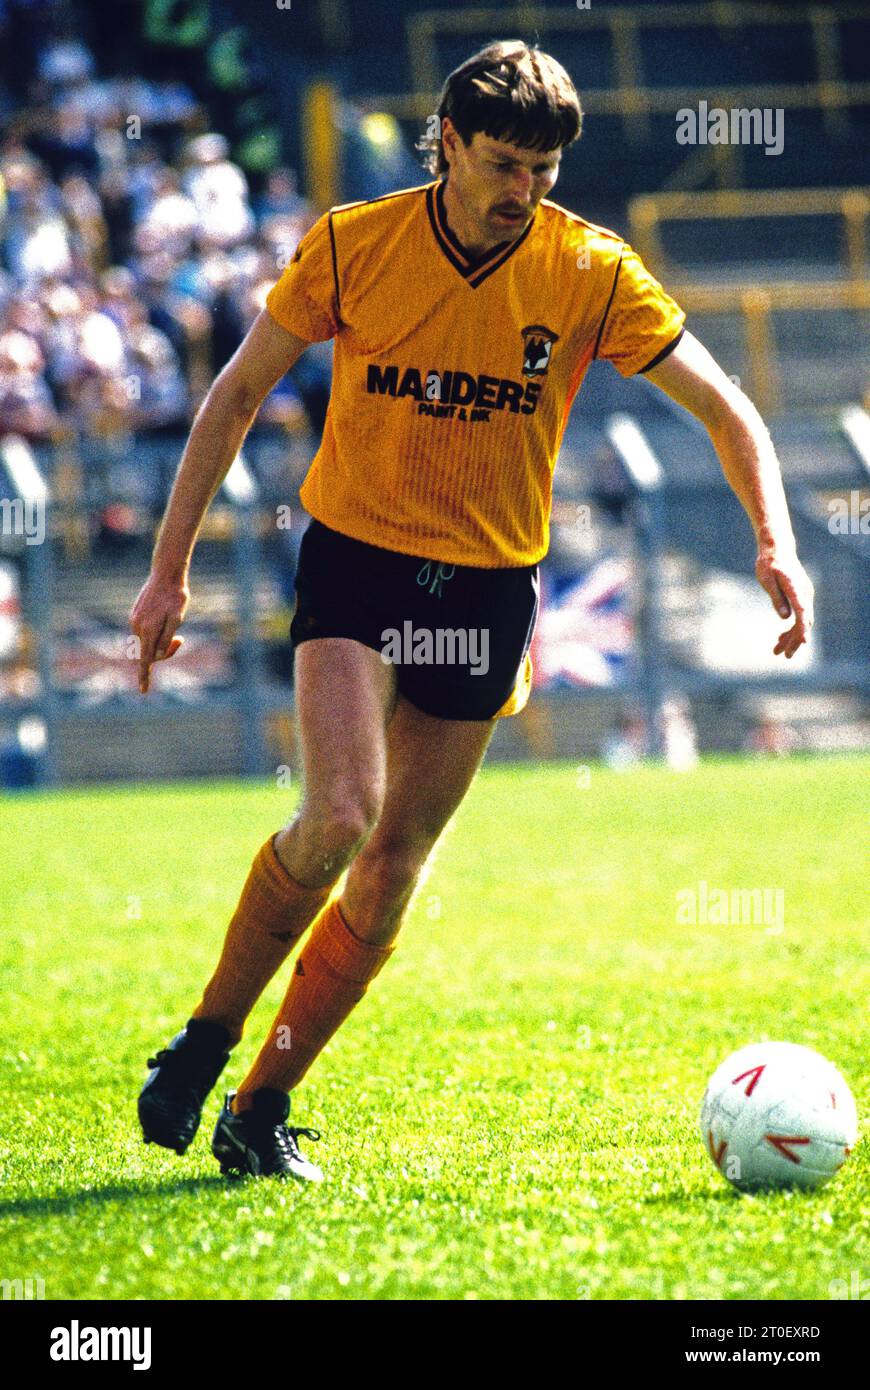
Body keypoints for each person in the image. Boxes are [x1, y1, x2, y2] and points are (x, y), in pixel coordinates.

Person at [130, 41, 814, 1181]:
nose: (521, 192)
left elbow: (726, 404)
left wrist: (775, 539)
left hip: (490, 592)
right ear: (446, 140)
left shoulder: (589, 270)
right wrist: (167, 572)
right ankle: (204, 1038)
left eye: (542, 172)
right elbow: (236, 394)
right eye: (503, 163)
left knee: (395, 867)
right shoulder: (355, 244)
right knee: (340, 815)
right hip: (356, 565)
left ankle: (259, 1109)